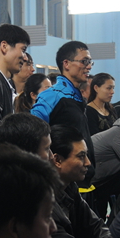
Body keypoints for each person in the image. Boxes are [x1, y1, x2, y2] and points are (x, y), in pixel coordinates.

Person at [32, 41, 96, 181]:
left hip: (80, 179)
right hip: (60, 181)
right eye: (84, 61)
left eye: (90, 62)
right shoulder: (52, 96)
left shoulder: (77, 97)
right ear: (66, 64)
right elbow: (33, 134)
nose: (89, 66)